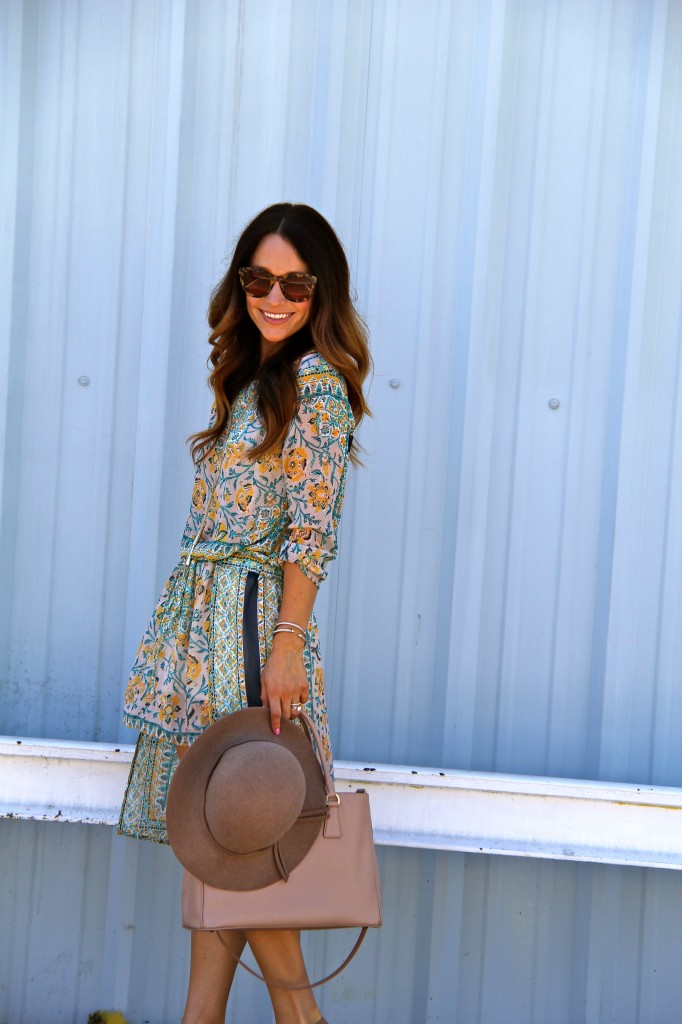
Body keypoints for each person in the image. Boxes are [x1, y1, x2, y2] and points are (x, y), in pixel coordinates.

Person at [117, 202, 371, 1024]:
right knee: (214, 877)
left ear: (320, 292)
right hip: (208, 640)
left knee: (244, 861)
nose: (274, 297)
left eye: (295, 284)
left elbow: (311, 529)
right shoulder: (251, 382)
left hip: (251, 637)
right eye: (258, 278)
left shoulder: (317, 390)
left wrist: (288, 645)